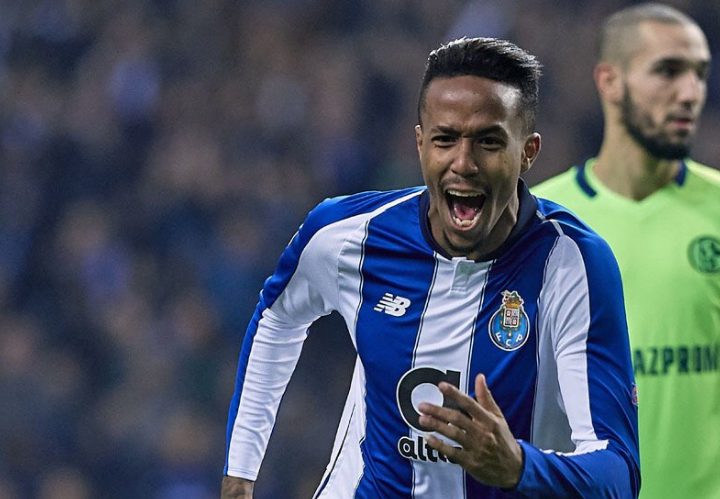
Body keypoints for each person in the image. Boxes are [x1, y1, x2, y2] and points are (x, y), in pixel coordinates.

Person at [220, 37, 640, 498]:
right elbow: (277, 318)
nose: (464, 163)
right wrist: (240, 474)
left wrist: (520, 467)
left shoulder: (571, 265)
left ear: (528, 152)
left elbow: (618, 473)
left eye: (488, 142)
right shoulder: (348, 235)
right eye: (445, 139)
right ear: (420, 143)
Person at [532, 4, 720, 499]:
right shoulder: (542, 222)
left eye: (700, 74)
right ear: (610, 81)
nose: (690, 93)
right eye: (668, 71)